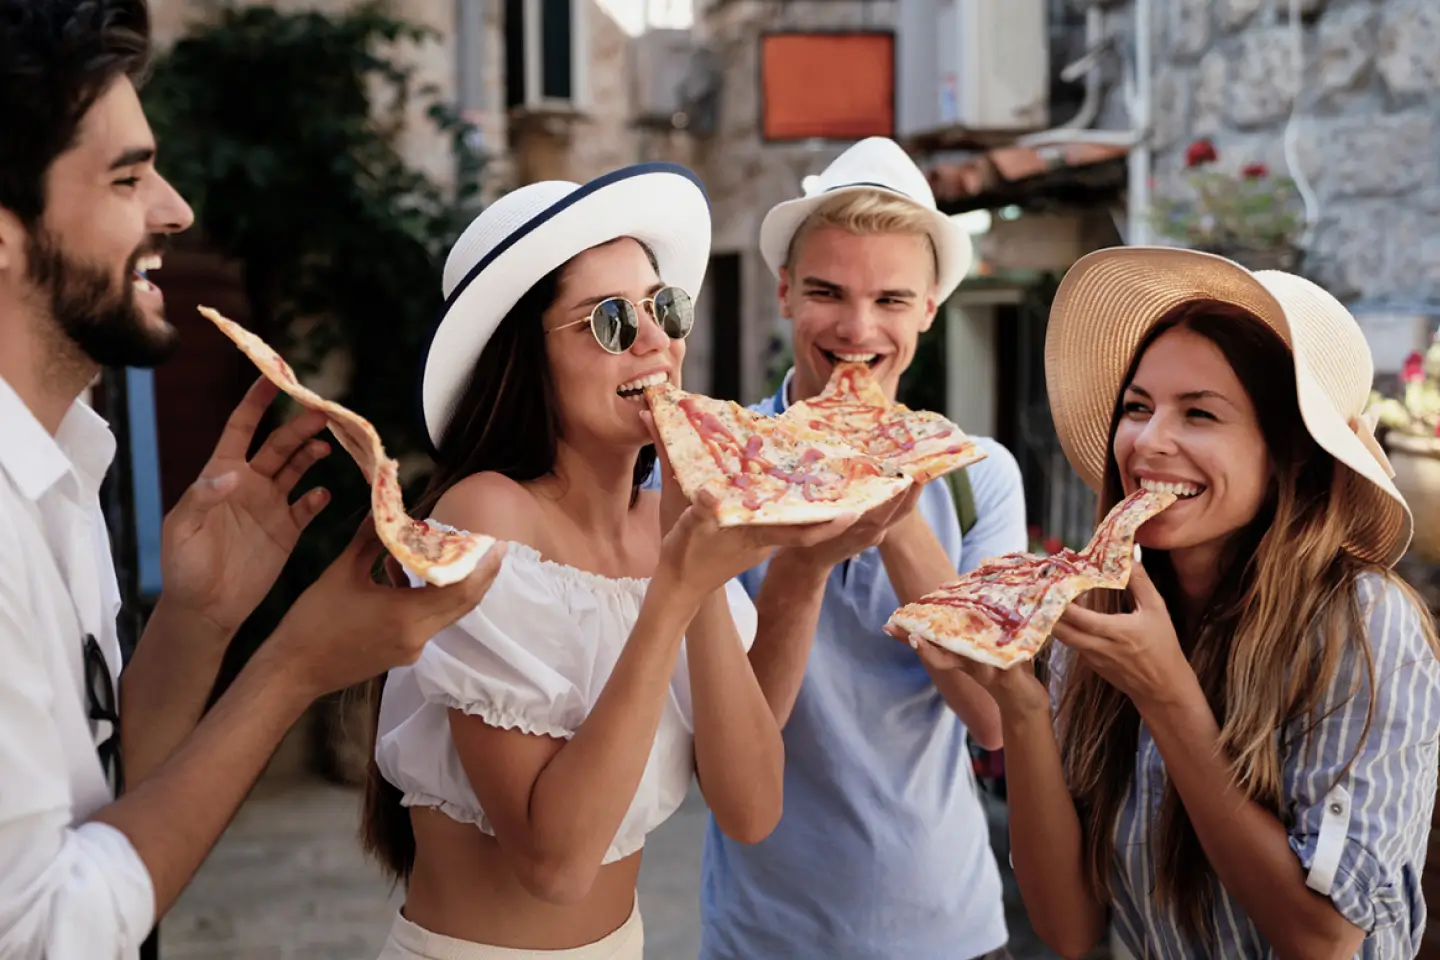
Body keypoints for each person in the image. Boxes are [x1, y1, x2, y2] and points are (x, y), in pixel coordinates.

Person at [0, 2, 504, 956]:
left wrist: (199, 622)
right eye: (127, 177)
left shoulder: (63, 456)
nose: (176, 209)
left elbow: (102, 799)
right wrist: (293, 668)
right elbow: (47, 929)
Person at [360, 163, 862, 959]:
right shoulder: (482, 515)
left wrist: (711, 565)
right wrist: (675, 586)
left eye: (663, 307)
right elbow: (554, 861)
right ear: (525, 358)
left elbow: (752, 808)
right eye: (609, 323)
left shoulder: (664, 519)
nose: (659, 341)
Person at [913, 246, 1440, 959]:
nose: (1149, 441)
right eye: (1138, 407)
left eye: (1200, 414)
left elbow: (1322, 939)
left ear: (1290, 458)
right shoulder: (1099, 618)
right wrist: (1023, 703)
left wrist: (1167, 697)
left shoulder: (1363, 628)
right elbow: (1067, 929)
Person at [689, 137, 1028, 959]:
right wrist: (802, 567)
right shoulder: (712, 475)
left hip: (951, 929)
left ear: (929, 311)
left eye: (891, 300)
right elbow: (730, 752)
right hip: (764, 939)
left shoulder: (980, 478)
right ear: (783, 294)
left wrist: (894, 492)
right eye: (827, 293)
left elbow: (994, 720)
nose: (858, 328)